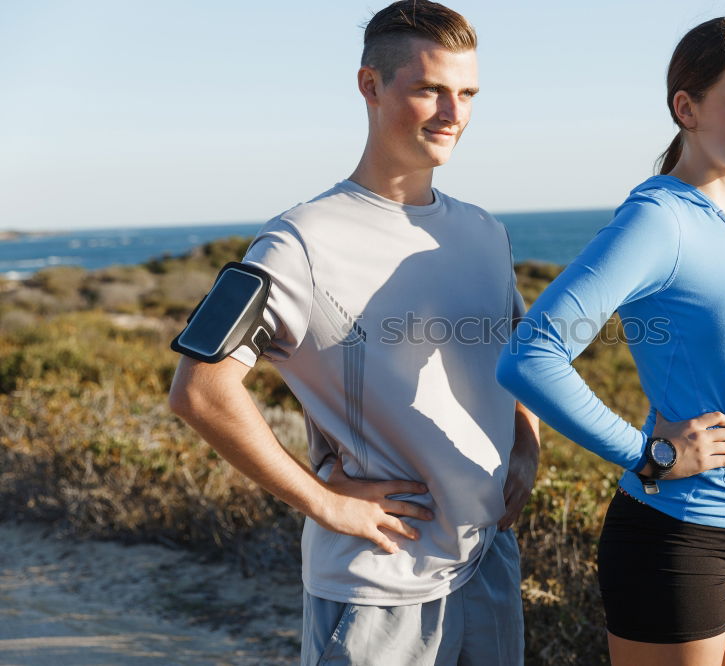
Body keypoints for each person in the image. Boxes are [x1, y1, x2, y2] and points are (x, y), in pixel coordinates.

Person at [168, 2, 539, 665]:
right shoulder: (299, 241)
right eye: (429, 90)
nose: (453, 113)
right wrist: (322, 504)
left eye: (467, 93)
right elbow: (199, 392)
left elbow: (519, 352)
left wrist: (526, 449)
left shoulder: (485, 231)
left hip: (488, 566)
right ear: (370, 85)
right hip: (375, 587)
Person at [496, 16, 725, 666]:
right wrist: (651, 455)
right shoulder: (657, 222)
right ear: (687, 107)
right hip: (678, 536)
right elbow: (530, 354)